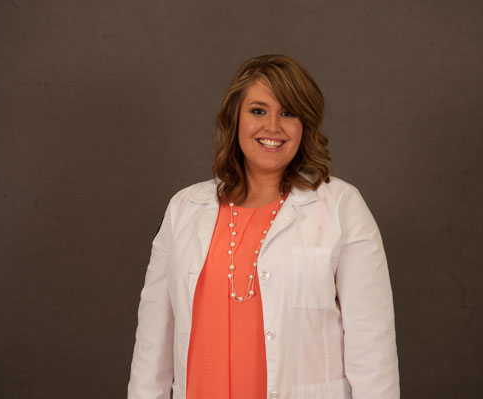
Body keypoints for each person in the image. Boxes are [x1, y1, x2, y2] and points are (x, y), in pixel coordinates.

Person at [128, 54, 399, 399]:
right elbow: (153, 345)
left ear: (305, 124)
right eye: (258, 110)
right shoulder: (184, 209)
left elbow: (372, 347)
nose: (272, 126)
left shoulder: (341, 207)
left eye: (288, 113)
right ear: (235, 118)